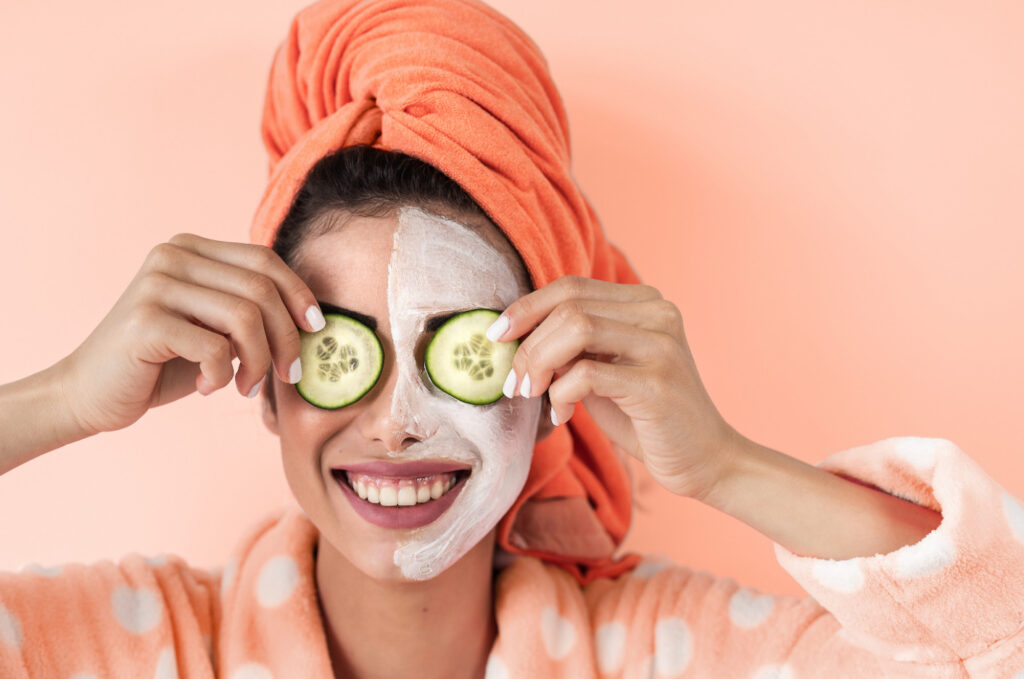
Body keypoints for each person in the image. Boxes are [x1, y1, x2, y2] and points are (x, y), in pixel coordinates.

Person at [1, 1, 1022, 678]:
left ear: (549, 383)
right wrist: (58, 399)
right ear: (266, 384)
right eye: (336, 348)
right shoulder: (127, 646)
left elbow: (989, 644)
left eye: (461, 351)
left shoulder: (670, 653)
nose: (395, 423)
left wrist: (722, 462)